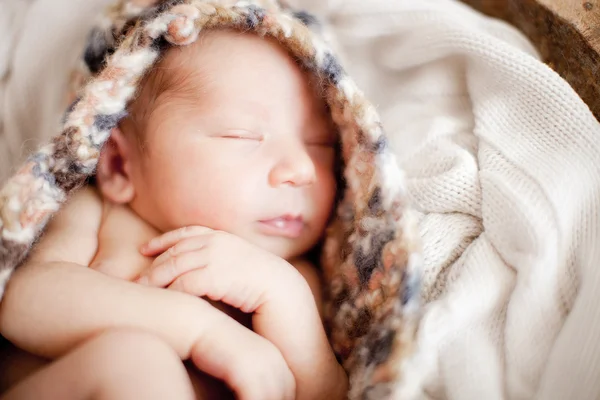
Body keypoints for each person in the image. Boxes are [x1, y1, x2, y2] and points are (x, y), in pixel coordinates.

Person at [0, 25, 348, 400]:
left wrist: (285, 295)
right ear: (119, 165)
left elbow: (327, 393)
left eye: (321, 145)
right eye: (242, 135)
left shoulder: (295, 278)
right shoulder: (102, 215)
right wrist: (202, 331)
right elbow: (22, 303)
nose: (302, 169)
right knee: (134, 361)